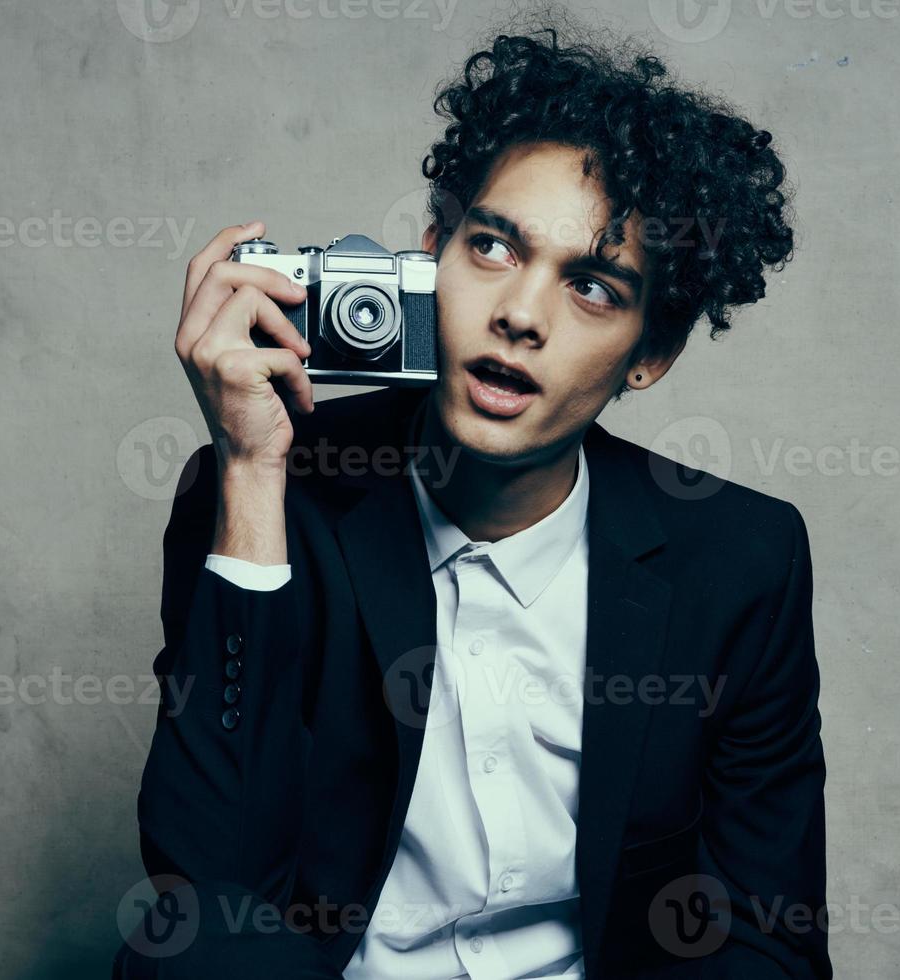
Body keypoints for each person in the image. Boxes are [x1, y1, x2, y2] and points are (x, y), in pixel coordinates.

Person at [115, 19, 828, 980]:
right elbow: (206, 893)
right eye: (492, 247)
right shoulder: (266, 489)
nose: (520, 315)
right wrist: (250, 470)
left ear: (651, 356)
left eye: (593, 287)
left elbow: (765, 939)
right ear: (428, 258)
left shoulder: (742, 560)